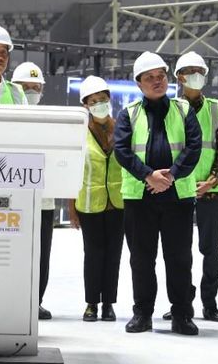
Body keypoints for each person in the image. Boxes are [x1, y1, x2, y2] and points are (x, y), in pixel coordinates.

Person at [114, 51, 202, 335]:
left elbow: (193, 148)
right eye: (150, 78)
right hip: (141, 198)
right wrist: (149, 175)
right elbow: (123, 152)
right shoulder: (128, 114)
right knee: (141, 259)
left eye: (161, 77)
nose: (157, 82)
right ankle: (142, 314)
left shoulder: (184, 110)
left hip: (178, 197)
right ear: (139, 83)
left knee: (179, 258)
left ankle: (182, 315)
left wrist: (171, 175)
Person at [161, 51, 218, 323]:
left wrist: (213, 181)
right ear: (180, 77)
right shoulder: (169, 109)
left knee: (210, 252)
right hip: (178, 191)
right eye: (191, 71)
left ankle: (210, 303)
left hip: (210, 191)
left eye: (200, 71)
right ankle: (181, 303)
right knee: (179, 253)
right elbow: (165, 151)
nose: (197, 76)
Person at [68, 76, 124, 323]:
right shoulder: (79, 133)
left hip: (118, 204)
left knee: (114, 254)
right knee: (93, 254)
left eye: (103, 99)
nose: (100, 104)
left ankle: (109, 304)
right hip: (89, 204)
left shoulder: (122, 128)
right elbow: (71, 172)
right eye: (94, 101)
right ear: (86, 105)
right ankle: (91, 303)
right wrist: (71, 209)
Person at [11, 61, 55, 320]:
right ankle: (14, 299)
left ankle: (35, 301)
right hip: (14, 201)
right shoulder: (7, 117)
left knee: (41, 255)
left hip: (43, 201)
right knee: (14, 254)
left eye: (35, 87)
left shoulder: (50, 120)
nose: (31, 91)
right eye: (25, 87)